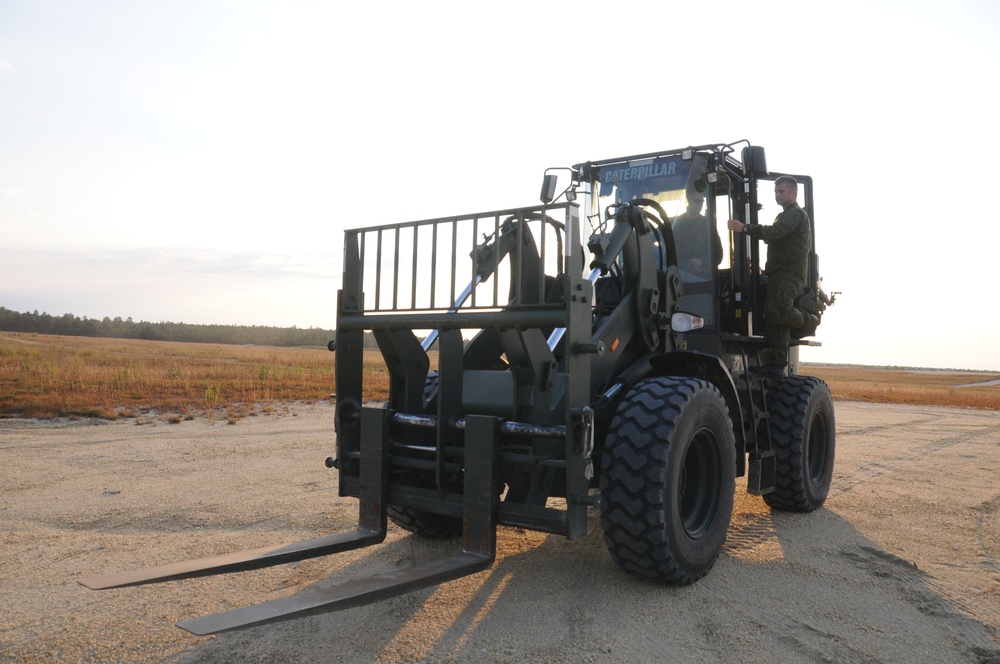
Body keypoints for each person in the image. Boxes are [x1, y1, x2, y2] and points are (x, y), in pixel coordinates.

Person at [727, 176, 815, 380]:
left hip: (788, 273)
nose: (777, 195)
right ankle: (776, 365)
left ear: (793, 193)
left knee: (778, 313)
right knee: (777, 321)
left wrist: (745, 228)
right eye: (776, 191)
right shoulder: (785, 215)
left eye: (781, 191)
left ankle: (809, 319)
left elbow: (775, 233)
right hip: (778, 272)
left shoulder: (795, 214)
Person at [672, 187, 723, 281]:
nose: (699, 204)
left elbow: (718, 254)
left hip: (703, 280)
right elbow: (653, 239)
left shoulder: (708, 225)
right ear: (687, 201)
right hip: (678, 277)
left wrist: (702, 261)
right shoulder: (674, 223)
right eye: (696, 201)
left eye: (702, 201)